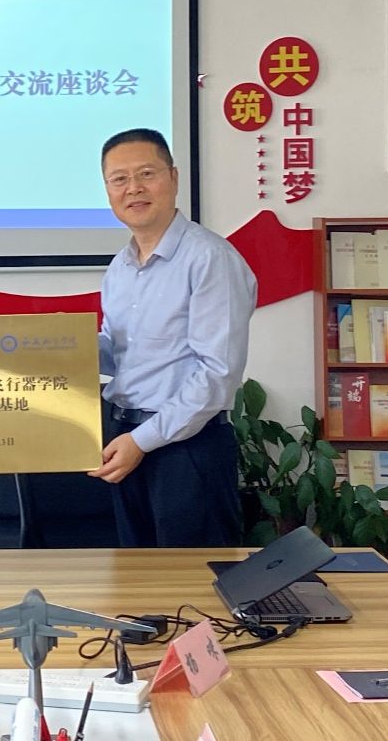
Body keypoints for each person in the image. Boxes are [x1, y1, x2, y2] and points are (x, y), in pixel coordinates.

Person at [88, 129, 257, 547]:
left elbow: (217, 373)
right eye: (119, 179)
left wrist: (142, 441)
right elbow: (116, 351)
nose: (133, 188)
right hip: (125, 438)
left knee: (194, 581)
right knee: (138, 577)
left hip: (187, 449)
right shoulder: (120, 267)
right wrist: (63, 350)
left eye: (146, 174)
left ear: (174, 177)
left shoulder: (210, 258)